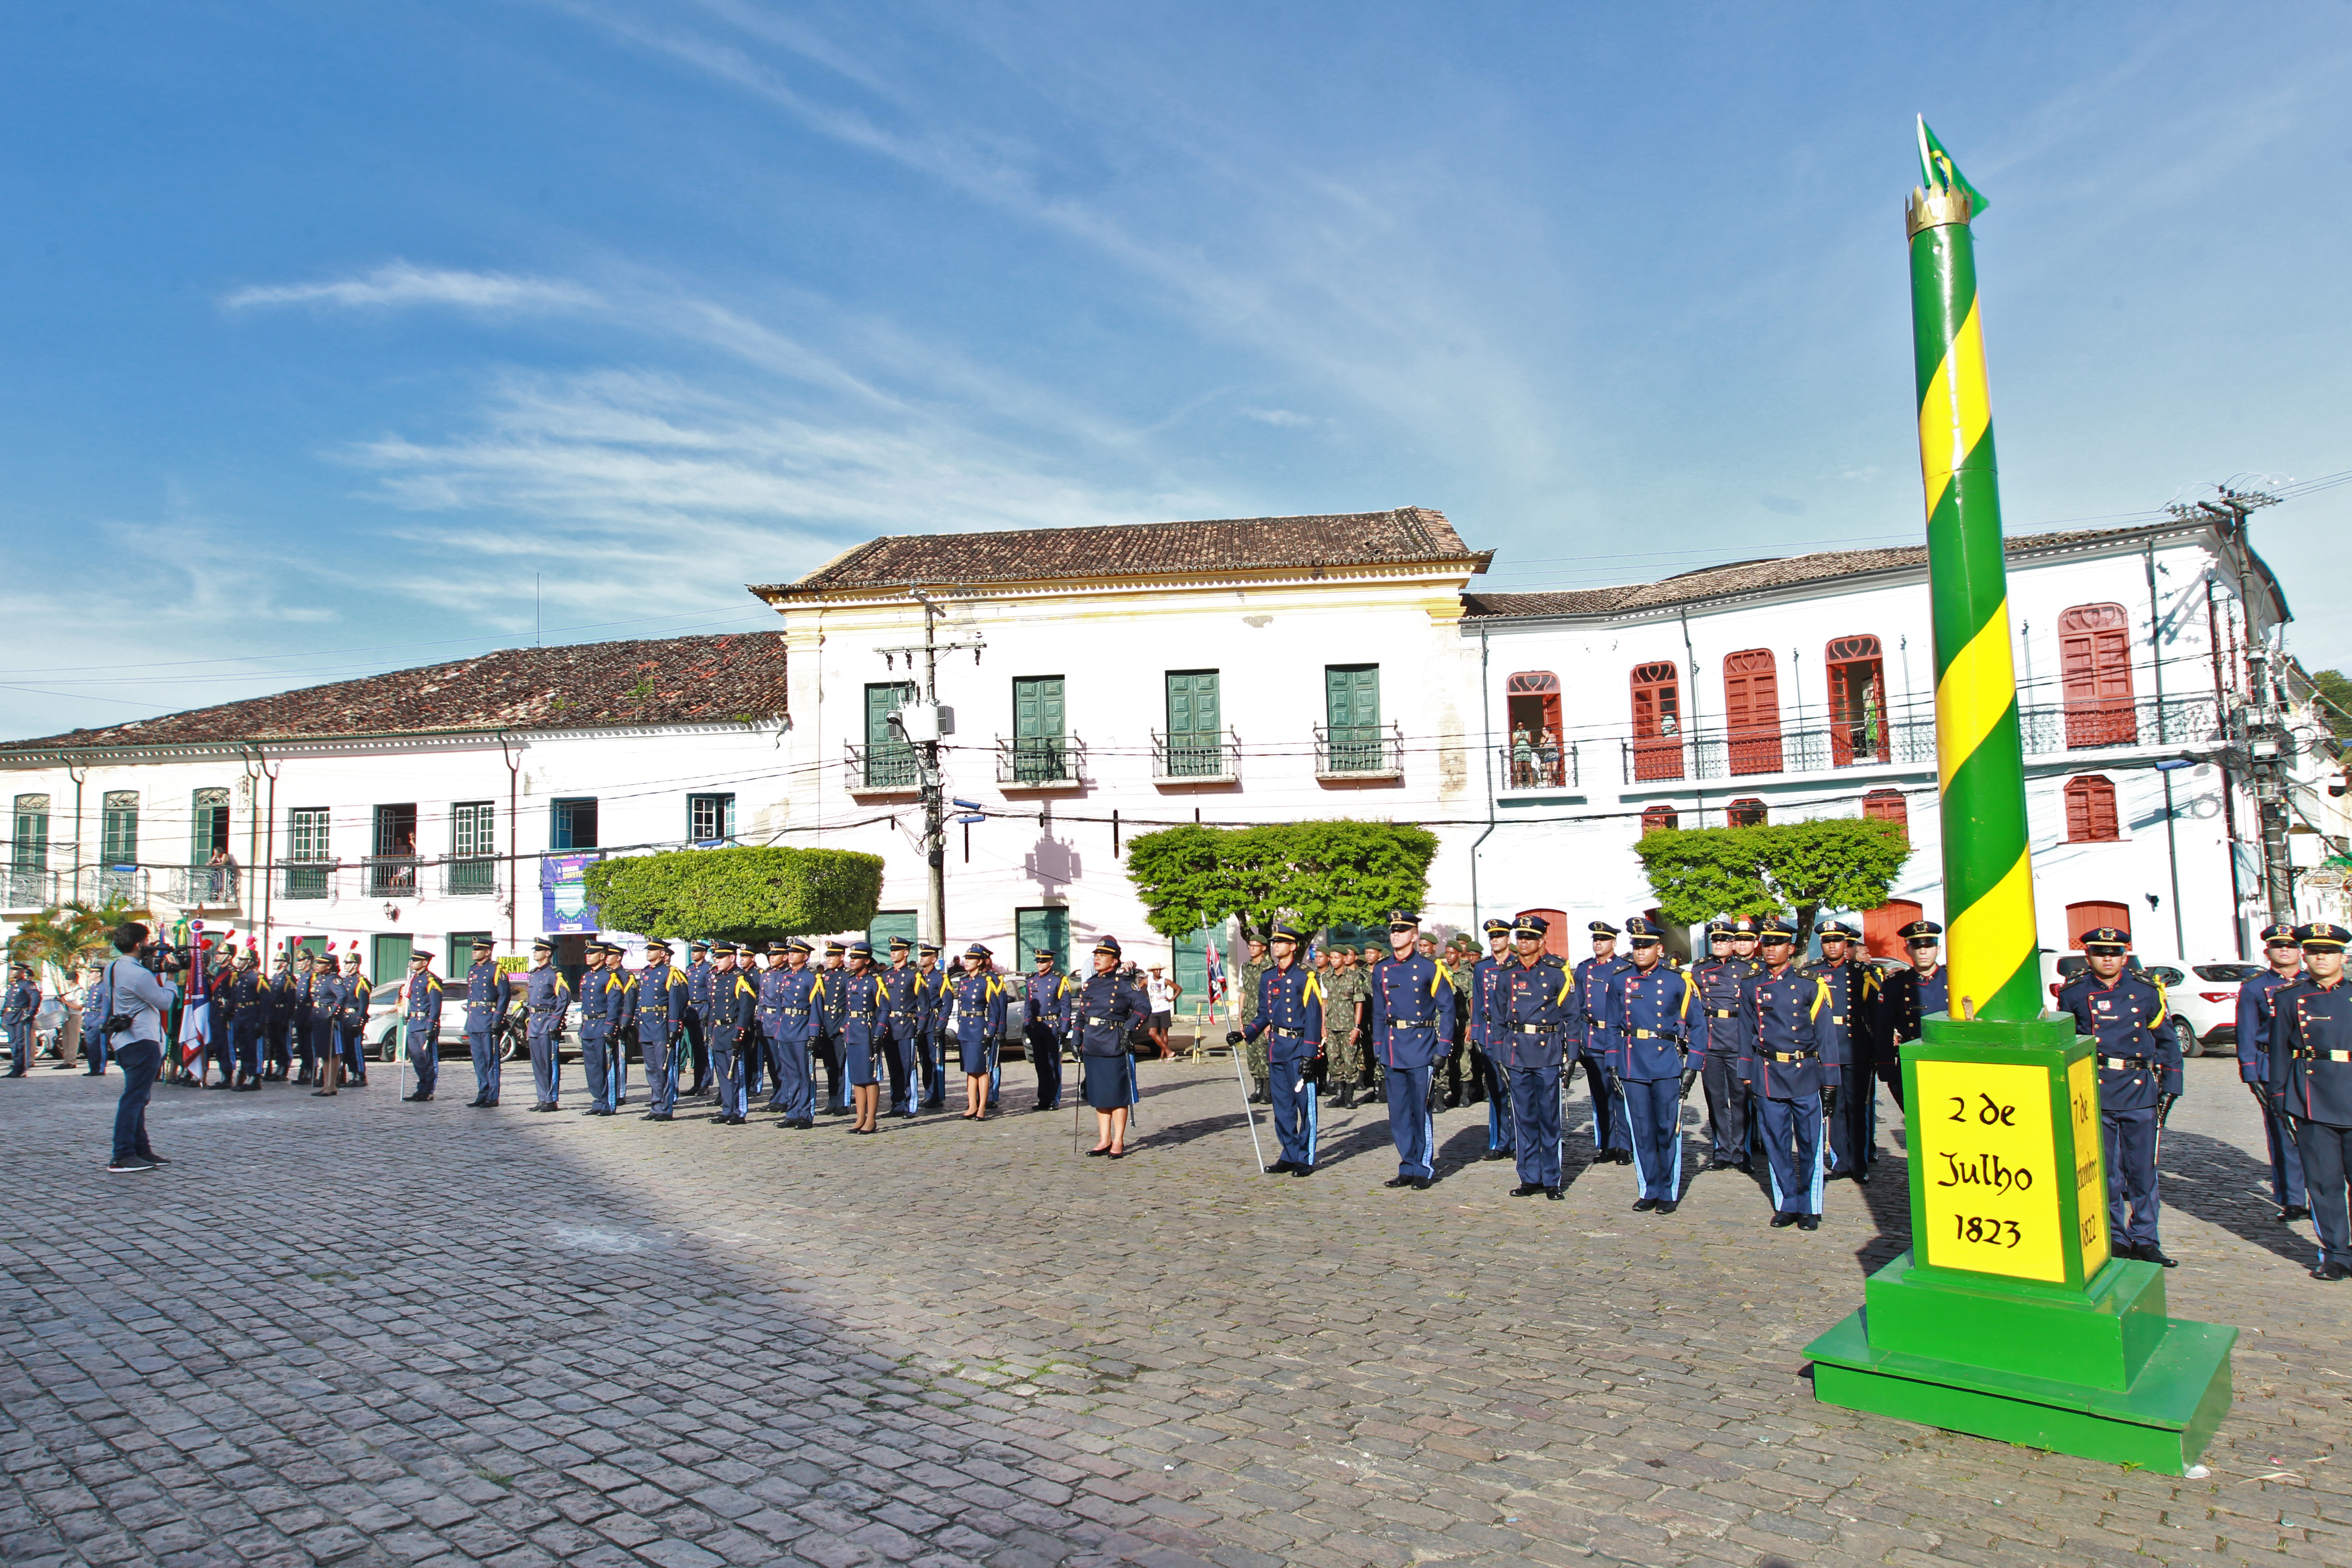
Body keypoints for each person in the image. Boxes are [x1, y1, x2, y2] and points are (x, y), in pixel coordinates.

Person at [2055, 926, 2181, 1267]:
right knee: (2107, 1172)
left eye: (2114, 952)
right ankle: (2115, 1238)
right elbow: (2067, 1043)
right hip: (2097, 1089)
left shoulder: (2145, 991)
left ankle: (2146, 1238)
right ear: (2088, 956)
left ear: (2125, 955)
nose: (2107, 958)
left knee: (2143, 1170)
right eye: (2100, 952)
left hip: (2139, 1087)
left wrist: (2172, 1084)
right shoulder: (2074, 993)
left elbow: (2167, 1040)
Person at [2268, 922, 2352, 1281]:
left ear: (2342, 956)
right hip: (2313, 1100)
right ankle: (2336, 1254)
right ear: (2304, 954)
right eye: (2315, 951)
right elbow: (2279, 1052)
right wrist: (2281, 1098)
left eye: (2329, 951)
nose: (2322, 957)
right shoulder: (2290, 997)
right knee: (2323, 1183)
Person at [1740, 918, 1831, 1231]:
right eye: (1767, 943)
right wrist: (1746, 1073)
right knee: (1776, 1143)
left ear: (1790, 949)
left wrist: (1830, 1080)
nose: (1771, 949)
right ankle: (1786, 1203)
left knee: (1809, 1143)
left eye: (1778, 943)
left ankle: (1810, 1205)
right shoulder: (1750, 985)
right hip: (1768, 1071)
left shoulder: (1810, 985)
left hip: (1804, 1071)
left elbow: (1826, 1036)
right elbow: (1746, 1031)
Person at [1614, 917, 1703, 1214]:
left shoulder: (1678, 980)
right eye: (1636, 945)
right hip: (1632, 1062)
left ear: (1659, 948)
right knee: (1642, 1131)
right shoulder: (1620, 979)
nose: (1640, 951)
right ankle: (1648, 1188)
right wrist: (1613, 1062)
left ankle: (1668, 1190)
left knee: (1667, 1129)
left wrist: (1694, 1065)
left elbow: (1698, 1025)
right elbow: (1613, 1026)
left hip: (1666, 1063)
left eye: (1646, 945)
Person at [1365, 910, 1457, 1190]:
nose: (1396, 934)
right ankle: (1407, 1165)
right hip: (1393, 1046)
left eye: (1402, 930)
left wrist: (1443, 1048)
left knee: (1420, 1110)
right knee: (1400, 1113)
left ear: (1415, 936)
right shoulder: (1381, 969)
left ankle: (1423, 1168)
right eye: (1393, 930)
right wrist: (1378, 1046)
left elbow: (1448, 1008)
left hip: (1421, 1044)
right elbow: (1378, 1013)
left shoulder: (1430, 968)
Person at [1494, 915, 1579, 1199]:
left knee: (1549, 1119)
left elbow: (1572, 1016)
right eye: (1520, 938)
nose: (1524, 942)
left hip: (1547, 1051)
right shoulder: (1506, 972)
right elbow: (1497, 1016)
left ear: (1542, 940)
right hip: (1517, 1052)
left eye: (1530, 938)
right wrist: (1499, 1055)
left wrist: (1572, 1057)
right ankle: (1530, 1177)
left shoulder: (1557, 971)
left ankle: (1552, 1179)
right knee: (1524, 1118)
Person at [1233, 924, 1324, 1176]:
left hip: (1299, 1047)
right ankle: (1289, 1153)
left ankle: (1305, 1158)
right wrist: (1245, 1034)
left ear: (1293, 947)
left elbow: (1314, 1018)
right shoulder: (1268, 977)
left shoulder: (1306, 977)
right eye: (1274, 942)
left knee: (1305, 1108)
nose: (1275, 946)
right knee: (1282, 1108)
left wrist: (1309, 1054)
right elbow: (1264, 1015)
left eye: (1281, 942)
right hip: (1277, 1048)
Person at [2238, 922, 2311, 1224]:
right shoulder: (2254, 987)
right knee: (2282, 1134)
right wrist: (2251, 1072)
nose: (2285, 950)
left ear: (2300, 951)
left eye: (2291, 946)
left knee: (2316, 1131)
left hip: (2310, 1063)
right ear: (2268, 951)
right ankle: (2292, 1198)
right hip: (2272, 1065)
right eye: (2278, 946)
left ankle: (2318, 1190)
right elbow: (2247, 1032)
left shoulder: (2312, 983)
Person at [1807, 921, 1882, 1183]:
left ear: (1846, 944)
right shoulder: (1810, 973)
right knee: (1835, 1108)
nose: (1832, 946)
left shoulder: (1862, 972)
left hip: (1855, 1047)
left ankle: (1860, 1163)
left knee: (1856, 1108)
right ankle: (1841, 1161)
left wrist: (1877, 1051)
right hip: (1826, 1049)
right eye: (1827, 942)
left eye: (1837, 941)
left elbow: (1876, 1015)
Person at [98, 923, 176, 1171]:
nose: (150, 945)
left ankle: (141, 1149)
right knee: (134, 1098)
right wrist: (172, 979)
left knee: (138, 1097)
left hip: (124, 1039)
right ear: (138, 945)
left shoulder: (112, 967)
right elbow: (164, 1002)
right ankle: (122, 1154)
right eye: (147, 942)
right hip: (142, 1039)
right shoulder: (139, 974)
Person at [1075, 936, 1152, 1157]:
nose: (1098, 958)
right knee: (1099, 1094)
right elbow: (1083, 1014)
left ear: (1115, 961)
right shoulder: (1090, 983)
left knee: (1117, 1094)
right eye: (1096, 955)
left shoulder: (1124, 984)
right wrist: (1076, 1039)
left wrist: (1129, 1029)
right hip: (1092, 1043)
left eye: (1103, 955)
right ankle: (1104, 1139)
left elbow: (1143, 1007)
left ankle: (1118, 1140)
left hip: (1114, 1042)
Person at [1693, 920, 1758, 1173]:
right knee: (1715, 1099)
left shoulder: (1748, 970)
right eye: (1716, 940)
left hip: (1738, 1039)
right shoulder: (1699, 970)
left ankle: (1742, 1152)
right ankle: (1721, 1150)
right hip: (1711, 1040)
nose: (1719, 944)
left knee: (1740, 1099)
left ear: (1733, 943)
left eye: (1725, 940)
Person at [1572, 922, 1632, 1164]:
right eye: (1596, 939)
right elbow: (1576, 1007)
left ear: (1614, 943)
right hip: (1593, 1037)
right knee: (1601, 1094)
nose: (1599, 943)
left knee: (1621, 1092)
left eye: (1604, 940)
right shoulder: (1584, 969)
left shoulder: (1624, 969)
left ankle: (1626, 1146)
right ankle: (1608, 1144)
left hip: (1616, 1038)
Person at [1879, 919, 1948, 1114]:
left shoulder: (1953, 979)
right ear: (1908, 950)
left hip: (1948, 1059)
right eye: (1917, 946)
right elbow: (1884, 1028)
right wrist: (1886, 1068)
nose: (1923, 951)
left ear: (1938, 949)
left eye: (1929, 945)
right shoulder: (1895, 984)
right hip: (1912, 1060)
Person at [1463, 919, 1517, 1161]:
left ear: (1508, 939)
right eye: (1492, 937)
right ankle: (1500, 1141)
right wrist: (1476, 1032)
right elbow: (1476, 1000)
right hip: (1488, 1032)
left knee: (1517, 1089)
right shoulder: (1483, 968)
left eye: (1500, 936)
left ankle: (1520, 1140)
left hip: (1512, 1033)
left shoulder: (1516, 964)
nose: (1495, 940)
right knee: (1495, 1089)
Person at [832, 941, 891, 1134]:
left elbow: (884, 1008)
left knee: (869, 1077)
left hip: (867, 1031)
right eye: (851, 958)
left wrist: (879, 1032)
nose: (852, 961)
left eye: (856, 958)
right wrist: (845, 1026)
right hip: (853, 1031)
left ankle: (871, 1119)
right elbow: (849, 1008)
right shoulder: (851, 981)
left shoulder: (875, 980)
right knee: (857, 1077)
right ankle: (860, 1118)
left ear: (867, 960)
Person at [765, 937, 823, 1128]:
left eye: (795, 952)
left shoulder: (812, 978)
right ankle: (793, 1112)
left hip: (802, 1029)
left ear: (805, 957)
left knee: (805, 1075)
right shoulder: (784, 976)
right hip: (786, 1031)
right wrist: (778, 1028)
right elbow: (780, 1006)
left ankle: (806, 1115)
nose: (790, 955)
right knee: (790, 1075)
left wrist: (814, 1033)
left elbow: (816, 1007)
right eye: (789, 952)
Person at [633, 937, 690, 1122]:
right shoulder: (646, 973)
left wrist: (674, 1027)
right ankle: (656, 1105)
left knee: (664, 1068)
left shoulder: (671, 973)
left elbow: (677, 1002)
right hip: (647, 1024)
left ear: (663, 954)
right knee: (651, 1069)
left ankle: (665, 1108)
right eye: (648, 949)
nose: (649, 952)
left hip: (661, 1025)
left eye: (653, 949)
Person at [950, 943, 1008, 1119]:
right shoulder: (964, 980)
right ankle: (972, 1105)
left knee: (981, 1070)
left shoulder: (987, 981)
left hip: (979, 1028)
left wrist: (991, 1032)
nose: (967, 962)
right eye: (966, 959)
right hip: (966, 1028)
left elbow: (995, 1009)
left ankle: (982, 1107)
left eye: (971, 959)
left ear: (981, 961)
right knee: (969, 1070)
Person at [709, 944, 760, 1125]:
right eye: (716, 957)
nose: (717, 961)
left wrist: (739, 1034)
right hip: (719, 1031)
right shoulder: (717, 978)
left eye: (721, 957)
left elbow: (747, 1009)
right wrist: (710, 1031)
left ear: (732, 958)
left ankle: (739, 1111)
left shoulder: (741, 978)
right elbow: (714, 1008)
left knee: (736, 1074)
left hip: (733, 1031)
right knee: (723, 1075)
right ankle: (727, 1109)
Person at [523, 937, 572, 1111]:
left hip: (547, 1021)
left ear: (548, 953)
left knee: (549, 1062)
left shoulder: (554, 974)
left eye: (539, 950)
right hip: (535, 1022)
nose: (535, 952)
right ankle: (542, 1097)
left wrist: (556, 1021)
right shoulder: (534, 974)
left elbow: (564, 998)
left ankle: (551, 1099)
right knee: (537, 1064)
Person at [1022, 947, 1071, 1112]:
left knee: (1053, 1064)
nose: (1039, 964)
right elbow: (1028, 1005)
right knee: (1040, 1064)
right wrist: (1027, 1024)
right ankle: (1043, 1098)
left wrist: (1064, 1028)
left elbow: (1066, 1007)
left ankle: (1054, 1099)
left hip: (1052, 1027)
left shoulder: (1059, 980)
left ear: (1051, 962)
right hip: (1037, 1026)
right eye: (1038, 961)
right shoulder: (1031, 980)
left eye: (1043, 961)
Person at [460, 939, 504, 1107]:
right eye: (474, 949)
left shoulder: (496, 969)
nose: (474, 952)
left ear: (488, 952)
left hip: (488, 1018)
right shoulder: (472, 971)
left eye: (478, 949)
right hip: (475, 1019)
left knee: (490, 1060)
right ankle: (483, 1093)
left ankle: (493, 1096)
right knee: (478, 1060)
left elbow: (504, 995)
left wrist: (498, 1018)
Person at [400, 949, 443, 1102]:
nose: (412, 962)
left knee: (428, 1059)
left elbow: (435, 1005)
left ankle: (428, 1090)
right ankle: (421, 1088)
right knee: (417, 1059)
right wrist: (408, 1015)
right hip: (413, 1024)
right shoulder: (413, 979)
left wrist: (432, 1025)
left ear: (424, 963)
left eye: (416, 960)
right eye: (412, 960)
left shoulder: (431, 980)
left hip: (425, 1024)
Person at [1237, 935, 1273, 1104]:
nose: (1251, 949)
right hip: (1249, 1015)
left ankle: (1268, 1090)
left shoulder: (1271, 968)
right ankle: (1257, 1088)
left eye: (1255, 946)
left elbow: (1275, 995)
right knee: (1252, 1054)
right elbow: (1243, 991)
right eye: (1250, 946)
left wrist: (1271, 1021)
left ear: (1264, 948)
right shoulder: (1246, 967)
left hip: (1265, 1016)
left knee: (1265, 1053)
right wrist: (1240, 1014)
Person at [915, 940, 949, 1109]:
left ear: (934, 959)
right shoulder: (918, 977)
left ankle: (936, 1095)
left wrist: (941, 1025)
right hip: (920, 1023)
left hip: (934, 1022)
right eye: (922, 955)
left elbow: (947, 1003)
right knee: (924, 1061)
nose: (922, 958)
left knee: (935, 1061)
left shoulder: (940, 978)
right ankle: (928, 1092)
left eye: (926, 955)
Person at [227, 949, 266, 1090]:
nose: (239, 962)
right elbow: (234, 997)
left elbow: (265, 1001)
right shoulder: (240, 977)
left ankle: (254, 1078)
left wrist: (262, 1021)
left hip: (252, 1015)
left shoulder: (258, 977)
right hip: (240, 1015)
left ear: (250, 962)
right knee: (243, 1047)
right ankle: (246, 1074)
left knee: (253, 1048)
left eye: (242, 960)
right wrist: (228, 1011)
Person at [682, 939, 714, 1096]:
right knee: (695, 1050)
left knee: (705, 1049)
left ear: (704, 953)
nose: (693, 953)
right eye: (692, 951)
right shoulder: (689, 970)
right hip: (692, 1011)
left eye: (696, 951)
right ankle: (697, 1083)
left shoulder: (709, 970)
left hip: (704, 1010)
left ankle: (705, 1083)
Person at [4, 961, 40, 1078]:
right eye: (11, 970)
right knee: (13, 1043)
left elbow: (36, 998)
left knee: (21, 1043)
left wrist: (30, 1014)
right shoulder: (12, 985)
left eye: (15, 970)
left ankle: (21, 1069)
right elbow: (8, 1000)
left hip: (21, 1016)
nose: (12, 972)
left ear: (22, 972)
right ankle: (16, 1067)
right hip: (10, 1016)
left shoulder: (27, 984)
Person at [1144, 964, 1181, 1056]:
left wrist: (1171, 999)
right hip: (1153, 1010)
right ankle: (1169, 1051)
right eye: (1156, 970)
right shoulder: (1147, 981)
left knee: (1164, 1033)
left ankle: (1163, 1055)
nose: (1158, 972)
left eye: (1160, 970)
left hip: (1164, 1009)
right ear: (1153, 971)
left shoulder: (1165, 981)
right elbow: (1136, 989)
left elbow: (1179, 989)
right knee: (1152, 1033)